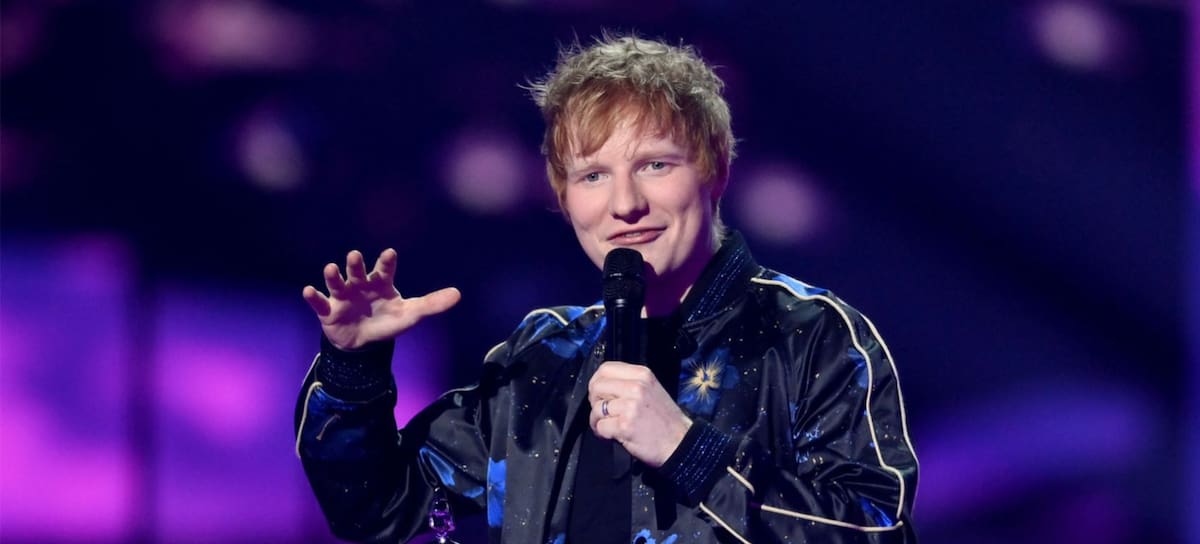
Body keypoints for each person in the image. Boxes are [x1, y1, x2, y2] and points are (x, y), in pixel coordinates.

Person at [295, 34, 918, 543]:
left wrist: (689, 452)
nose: (625, 204)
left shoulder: (810, 335)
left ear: (716, 169)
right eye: (593, 175)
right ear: (563, 199)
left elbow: (877, 532)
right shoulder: (544, 355)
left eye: (655, 164)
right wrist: (353, 369)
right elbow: (378, 510)